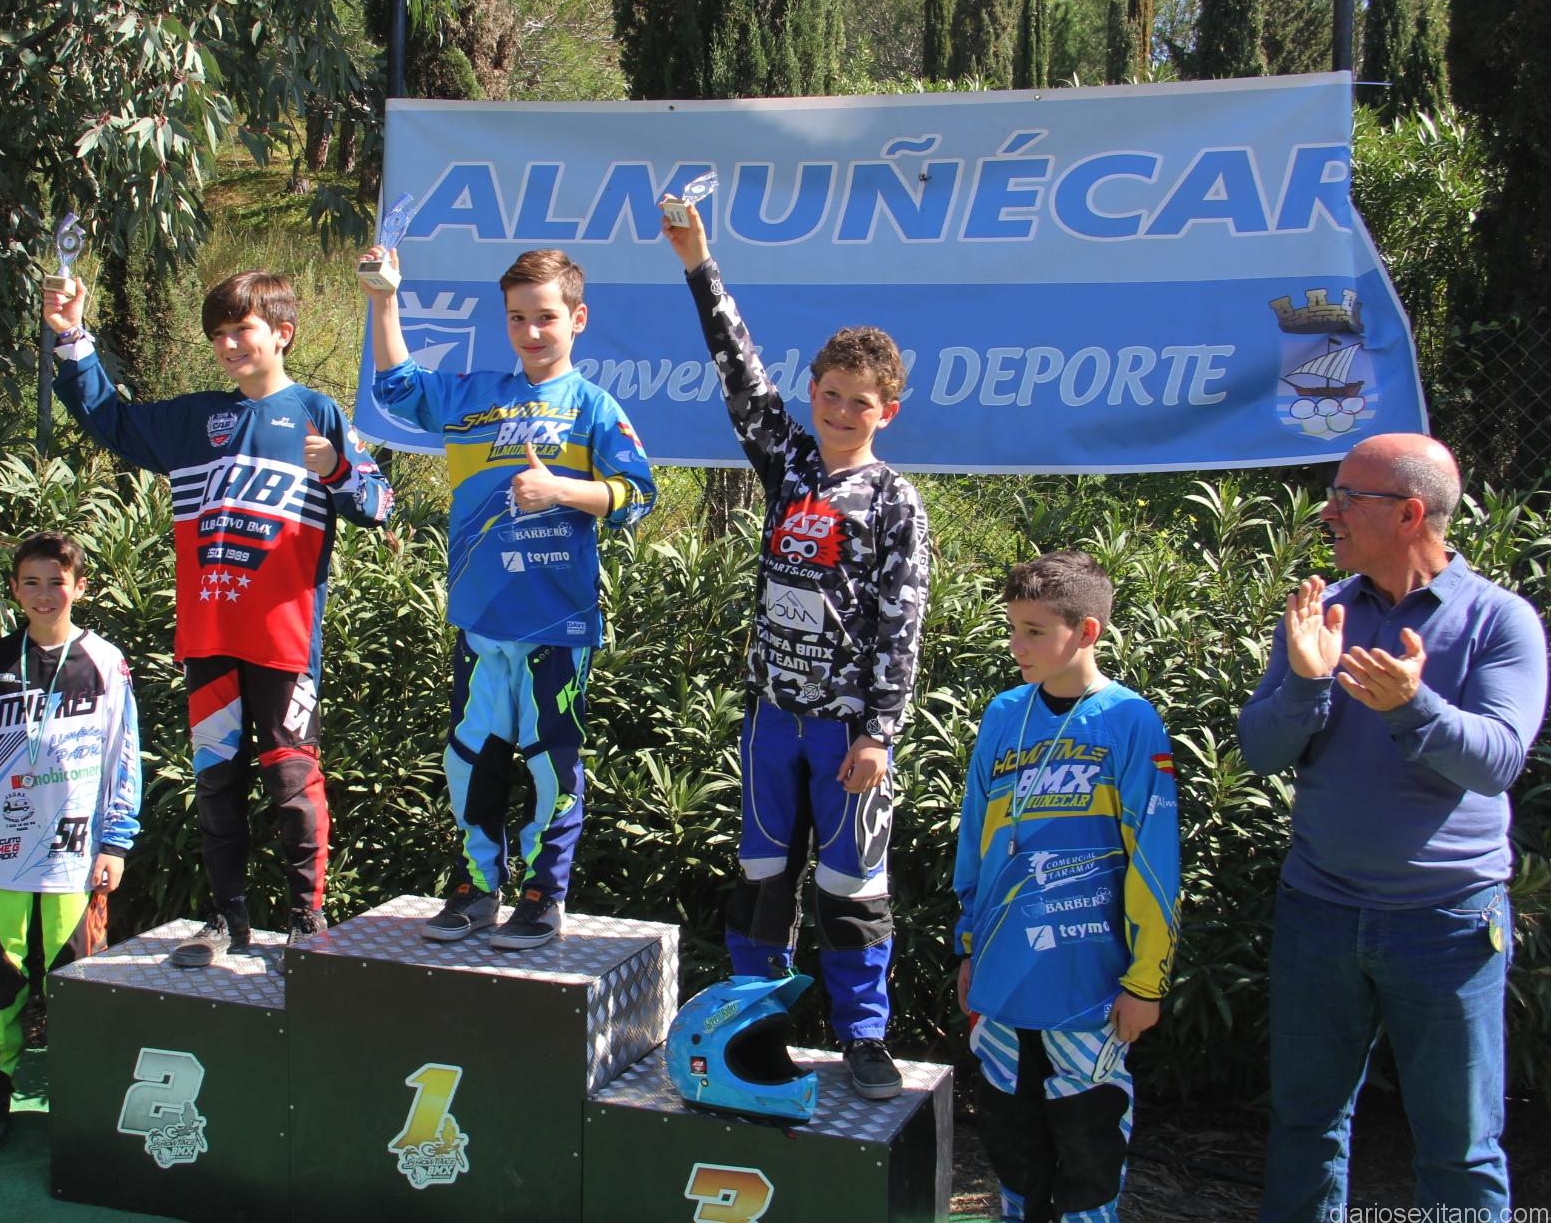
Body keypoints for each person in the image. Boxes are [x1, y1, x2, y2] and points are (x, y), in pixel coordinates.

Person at [661, 199, 930, 1099]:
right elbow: (736, 367)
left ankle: (863, 1038)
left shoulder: (893, 501)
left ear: (888, 411)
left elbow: (902, 621)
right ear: (812, 393)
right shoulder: (788, 461)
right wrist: (699, 263)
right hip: (773, 720)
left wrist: (880, 732)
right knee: (762, 880)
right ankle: (757, 1031)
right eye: (831, 394)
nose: (844, 411)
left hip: (849, 734)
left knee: (852, 886)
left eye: (862, 402)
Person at [45, 272, 393, 967]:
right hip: (209, 638)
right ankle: (227, 919)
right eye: (219, 335)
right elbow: (111, 419)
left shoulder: (317, 411)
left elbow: (379, 505)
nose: (230, 344)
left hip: (285, 640)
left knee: (292, 781)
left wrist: (337, 471)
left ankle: (307, 921)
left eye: (243, 330)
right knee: (215, 781)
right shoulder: (193, 420)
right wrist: (71, 337)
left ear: (282, 333)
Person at [1240, 433, 1545, 1221]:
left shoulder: (1499, 621)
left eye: (1349, 498)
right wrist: (1306, 682)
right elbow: (1261, 752)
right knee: (1305, 1124)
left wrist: (1413, 705)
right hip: (1319, 912)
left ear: (1410, 514)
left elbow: (1497, 761)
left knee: (1460, 1145)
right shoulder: (1323, 612)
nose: (1329, 513)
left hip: (1447, 924)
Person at [360, 244, 656, 950]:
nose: (531, 331)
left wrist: (563, 490)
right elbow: (397, 389)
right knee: (472, 759)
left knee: (552, 764)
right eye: (517, 317)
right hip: (480, 619)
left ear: (578, 319)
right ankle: (475, 887)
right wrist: (384, 299)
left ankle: (543, 895)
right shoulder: (475, 397)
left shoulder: (592, 407)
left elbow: (639, 495)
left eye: (546, 316)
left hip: (557, 624)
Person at [953, 550, 1179, 1221]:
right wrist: (969, 945)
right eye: (1012, 628)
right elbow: (975, 839)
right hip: (1003, 975)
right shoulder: (1003, 714)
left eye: (1034, 631)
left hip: (1091, 983)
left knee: (1088, 1137)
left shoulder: (1130, 720)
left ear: (1086, 632)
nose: (1016, 646)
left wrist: (1146, 982)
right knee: (1010, 1131)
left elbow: (1155, 859)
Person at [0, 531, 143, 1153]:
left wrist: (117, 842)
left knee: (77, 989)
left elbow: (124, 755)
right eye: (32, 582)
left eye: (57, 582)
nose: (45, 593)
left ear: (80, 587)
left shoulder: (105, 661)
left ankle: (82, 1109)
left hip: (74, 859)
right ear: (14, 590)